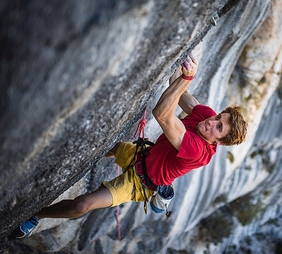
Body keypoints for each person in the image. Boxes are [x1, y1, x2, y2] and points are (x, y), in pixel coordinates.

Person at [8, 53, 248, 240]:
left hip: (139, 184)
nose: (211, 122)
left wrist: (187, 78)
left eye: (218, 128)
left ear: (219, 142)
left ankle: (35, 216)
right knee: (99, 148)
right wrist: (182, 58)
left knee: (83, 205)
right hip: (141, 154)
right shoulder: (206, 116)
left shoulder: (200, 152)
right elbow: (179, 87)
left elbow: (163, 115)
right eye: (219, 118)